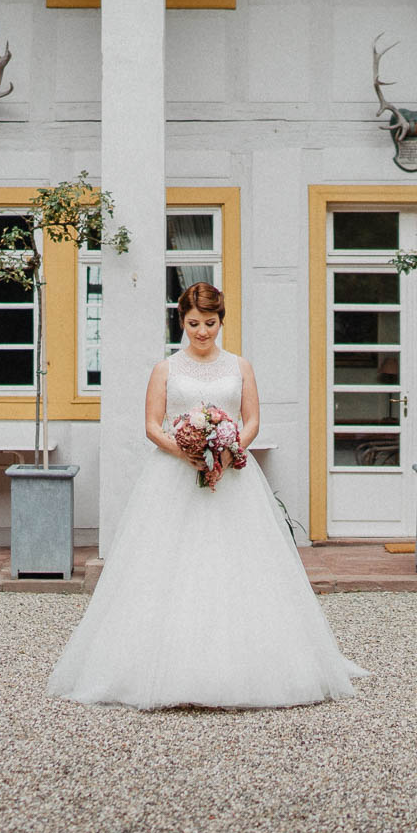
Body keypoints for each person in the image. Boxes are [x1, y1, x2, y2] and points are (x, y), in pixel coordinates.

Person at [47, 282, 369, 710]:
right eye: (194, 323)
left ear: (222, 321)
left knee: (243, 565)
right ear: (181, 321)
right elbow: (152, 426)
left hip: (233, 477)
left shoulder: (240, 366)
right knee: (164, 567)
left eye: (210, 323)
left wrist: (228, 447)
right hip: (173, 477)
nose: (202, 332)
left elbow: (252, 419)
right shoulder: (165, 369)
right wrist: (188, 452)